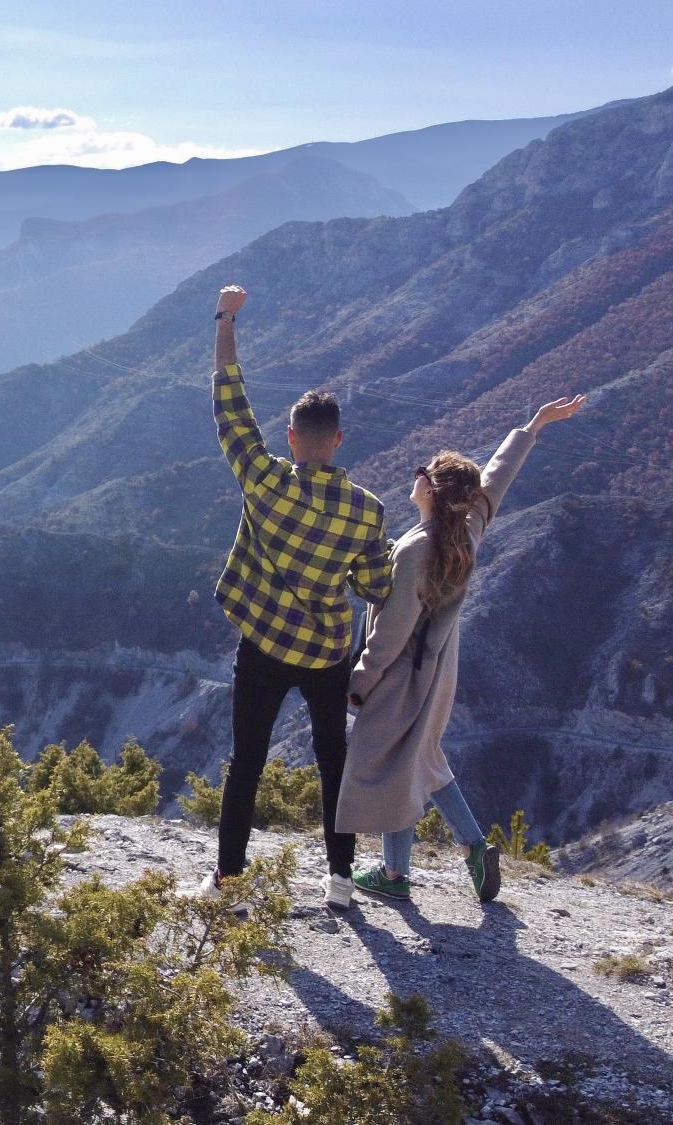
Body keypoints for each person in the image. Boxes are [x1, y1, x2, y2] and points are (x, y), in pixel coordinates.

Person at [337, 393, 588, 903]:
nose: (414, 476)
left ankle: (395, 877)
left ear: (430, 487)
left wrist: (359, 682)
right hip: (441, 667)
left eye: (420, 471)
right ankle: (473, 848)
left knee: (394, 763)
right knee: (421, 756)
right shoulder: (466, 531)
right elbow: (494, 480)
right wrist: (532, 425)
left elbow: (392, 632)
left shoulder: (415, 549)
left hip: (402, 673)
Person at [200, 284, 393, 911]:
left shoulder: (264, 481)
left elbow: (230, 403)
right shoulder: (367, 511)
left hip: (262, 644)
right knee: (331, 756)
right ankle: (341, 880)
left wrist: (227, 318)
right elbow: (375, 587)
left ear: (290, 436)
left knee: (247, 762)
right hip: (327, 652)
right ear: (338, 439)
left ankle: (229, 885)